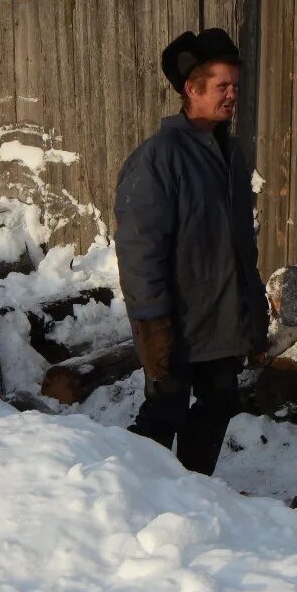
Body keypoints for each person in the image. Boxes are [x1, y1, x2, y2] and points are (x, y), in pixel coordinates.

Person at [113, 28, 268, 476]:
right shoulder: (160, 157)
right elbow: (139, 248)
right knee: (164, 414)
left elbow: (241, 245)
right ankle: (131, 492)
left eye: (235, 85)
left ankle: (193, 490)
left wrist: (251, 311)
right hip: (175, 320)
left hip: (219, 318)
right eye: (222, 85)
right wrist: (151, 324)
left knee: (220, 402)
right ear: (191, 89)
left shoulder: (230, 154)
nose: (232, 94)